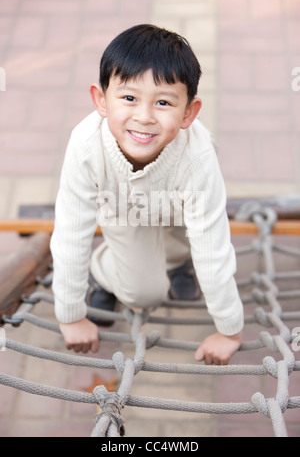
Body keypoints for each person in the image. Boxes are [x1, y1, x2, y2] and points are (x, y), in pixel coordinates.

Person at [50, 24, 244, 365]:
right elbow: (70, 232)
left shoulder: (198, 158)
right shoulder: (85, 147)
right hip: (124, 208)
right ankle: (103, 271)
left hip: (177, 204)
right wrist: (70, 314)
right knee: (144, 294)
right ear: (101, 100)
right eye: (128, 98)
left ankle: (177, 261)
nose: (143, 117)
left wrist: (229, 328)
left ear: (188, 113)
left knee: (192, 242)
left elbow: (211, 244)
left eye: (164, 102)